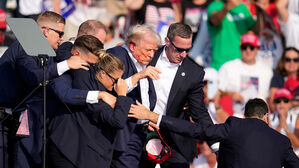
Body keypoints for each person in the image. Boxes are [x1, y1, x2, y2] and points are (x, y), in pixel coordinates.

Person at [0, 11, 88, 168]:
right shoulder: (26, 44)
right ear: (45, 31)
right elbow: (33, 77)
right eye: (60, 33)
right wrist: (67, 64)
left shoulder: (44, 53)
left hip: (13, 118)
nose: (61, 38)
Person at [129, 98, 299, 168]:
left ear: (245, 116)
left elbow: (195, 130)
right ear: (267, 117)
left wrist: (153, 116)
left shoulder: (235, 126)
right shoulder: (282, 141)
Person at [49, 36, 133, 168]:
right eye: (115, 80)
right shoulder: (85, 78)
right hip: (72, 152)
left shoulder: (100, 81)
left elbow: (68, 50)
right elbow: (117, 121)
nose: (118, 84)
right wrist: (121, 95)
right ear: (103, 73)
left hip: (79, 150)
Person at [138, 23, 215, 168]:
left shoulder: (194, 72)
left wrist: (215, 144)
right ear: (167, 41)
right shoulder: (148, 56)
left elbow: (199, 112)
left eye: (188, 50)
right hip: (143, 133)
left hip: (175, 140)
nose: (184, 55)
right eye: (179, 49)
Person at [106, 24, 161, 168]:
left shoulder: (142, 60)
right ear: (132, 46)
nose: (151, 55)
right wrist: (139, 76)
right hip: (124, 135)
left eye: (154, 51)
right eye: (148, 50)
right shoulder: (117, 55)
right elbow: (112, 88)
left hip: (143, 133)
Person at [217, 32, 272, 118]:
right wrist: (230, 95)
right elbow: (216, 92)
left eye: (251, 47)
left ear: (257, 49)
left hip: (260, 119)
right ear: (240, 48)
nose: (248, 50)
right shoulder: (228, 67)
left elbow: (269, 98)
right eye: (244, 47)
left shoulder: (266, 71)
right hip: (234, 117)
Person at [207, 0, 257, 70]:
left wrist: (259, 11)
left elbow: (255, 30)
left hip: (242, 64)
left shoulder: (242, 7)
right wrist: (228, 7)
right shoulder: (215, 5)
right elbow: (214, 20)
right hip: (221, 64)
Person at [269, 88, 299, 156]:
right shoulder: (269, 118)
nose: (282, 104)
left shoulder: (296, 118)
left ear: (290, 103)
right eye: (278, 101)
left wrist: (286, 127)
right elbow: (270, 143)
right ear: (275, 103)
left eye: (285, 100)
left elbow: (297, 144)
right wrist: (280, 126)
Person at [269, 47, 299, 112]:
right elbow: (272, 105)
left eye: (296, 60)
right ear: (283, 61)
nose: (292, 62)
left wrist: (293, 103)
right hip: (281, 116)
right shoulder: (277, 77)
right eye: (288, 59)